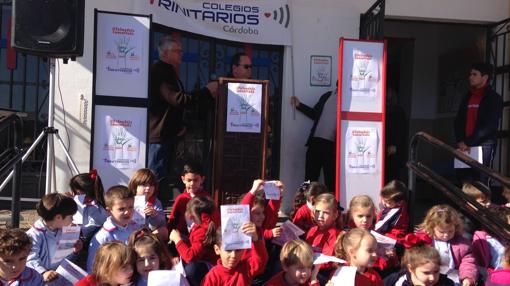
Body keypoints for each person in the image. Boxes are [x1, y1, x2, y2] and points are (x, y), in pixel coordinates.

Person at [148, 35, 218, 208]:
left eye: (181, 50)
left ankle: (156, 210)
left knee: (161, 176)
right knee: (154, 178)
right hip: (159, 137)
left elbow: (172, 105)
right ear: (165, 52)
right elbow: (178, 99)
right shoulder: (160, 71)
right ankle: (148, 213)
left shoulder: (169, 71)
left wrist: (178, 125)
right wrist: (207, 92)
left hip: (167, 134)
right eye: (177, 51)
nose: (181, 54)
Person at [454, 63, 503, 183]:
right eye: (470, 74)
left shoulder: (493, 98)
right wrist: (461, 141)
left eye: (474, 74)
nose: (470, 77)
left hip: (483, 146)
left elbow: (489, 126)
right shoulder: (467, 97)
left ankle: (480, 202)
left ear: (485, 78)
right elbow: (458, 120)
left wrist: (468, 142)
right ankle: (464, 202)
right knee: (464, 181)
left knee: (480, 181)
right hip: (464, 145)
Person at [290, 85, 337, 192]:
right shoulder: (327, 95)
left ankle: (331, 206)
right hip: (315, 141)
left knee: (331, 180)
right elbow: (315, 114)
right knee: (309, 178)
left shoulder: (349, 101)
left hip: (332, 146)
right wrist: (299, 105)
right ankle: (302, 202)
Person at [26, 193, 81, 282]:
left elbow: (63, 258)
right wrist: (43, 273)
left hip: (58, 277)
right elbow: (30, 259)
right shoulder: (33, 235)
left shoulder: (62, 230)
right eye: (71, 216)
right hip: (37, 280)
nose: (73, 220)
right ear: (58, 217)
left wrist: (74, 251)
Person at [417, 205, 478, 285]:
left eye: (450, 231)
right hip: (431, 276)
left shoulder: (462, 244)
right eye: (441, 232)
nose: (446, 235)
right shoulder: (423, 240)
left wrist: (467, 277)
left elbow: (468, 262)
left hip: (452, 276)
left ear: (455, 227)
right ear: (431, 227)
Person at [87, 185, 140, 272]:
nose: (127, 212)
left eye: (130, 207)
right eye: (121, 209)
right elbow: (93, 268)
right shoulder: (103, 237)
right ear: (109, 211)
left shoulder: (136, 228)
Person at [169, 196, 218, 286]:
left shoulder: (202, 231)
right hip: (204, 263)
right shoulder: (200, 227)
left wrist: (177, 240)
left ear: (191, 215)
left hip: (209, 267)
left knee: (191, 269)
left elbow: (191, 257)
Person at [201, 224, 268, 285]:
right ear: (217, 250)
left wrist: (256, 240)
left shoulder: (246, 268)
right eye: (228, 250)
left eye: (238, 250)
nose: (234, 255)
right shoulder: (211, 278)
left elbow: (261, 261)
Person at [167, 162, 211, 236]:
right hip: (183, 235)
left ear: (202, 179)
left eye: (196, 180)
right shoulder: (181, 199)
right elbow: (172, 219)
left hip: (201, 236)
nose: (192, 183)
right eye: (189, 180)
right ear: (183, 179)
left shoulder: (207, 198)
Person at [128, 168, 168, 242]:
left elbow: (161, 224)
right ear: (135, 185)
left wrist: (154, 215)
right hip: (130, 232)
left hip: (148, 233)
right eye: (144, 185)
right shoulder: (129, 200)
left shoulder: (155, 202)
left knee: (163, 231)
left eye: (151, 185)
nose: (148, 188)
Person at [384, 245, 454, 286]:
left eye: (436, 272)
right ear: (411, 269)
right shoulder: (402, 283)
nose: (432, 278)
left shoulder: (445, 283)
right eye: (426, 273)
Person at [68, 170, 108, 240]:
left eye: (77, 193)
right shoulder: (84, 203)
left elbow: (94, 226)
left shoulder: (96, 208)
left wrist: (77, 229)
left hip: (92, 241)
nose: (76, 195)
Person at [385, 87, 408, 182]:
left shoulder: (398, 111)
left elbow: (402, 131)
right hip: (385, 148)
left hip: (394, 149)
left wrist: (396, 146)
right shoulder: (383, 109)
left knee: (393, 175)